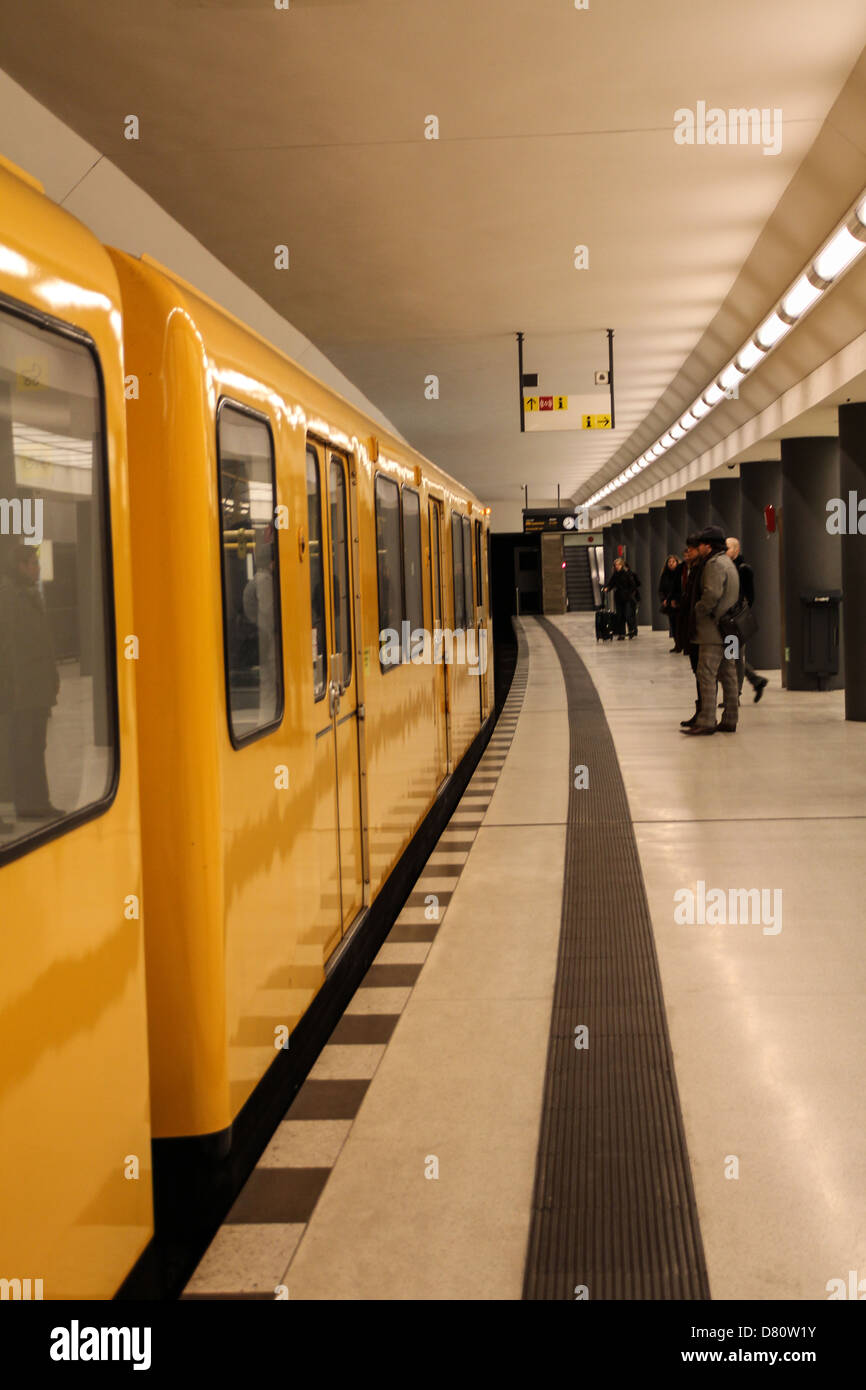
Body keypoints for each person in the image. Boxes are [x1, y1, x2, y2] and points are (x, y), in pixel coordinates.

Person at [1, 546, 62, 817]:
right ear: (21, 566)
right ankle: (31, 804)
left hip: (36, 688)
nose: (37, 568)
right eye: (33, 564)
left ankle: (37, 801)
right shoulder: (12, 599)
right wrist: (17, 690)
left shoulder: (27, 596)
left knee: (36, 746)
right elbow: (11, 648)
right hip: (24, 691)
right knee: (28, 748)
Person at [681, 525, 739, 736]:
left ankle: (706, 720)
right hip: (730, 628)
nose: (700, 548)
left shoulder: (713, 565)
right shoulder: (728, 562)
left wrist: (699, 609)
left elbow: (712, 594)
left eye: (702, 544)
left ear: (708, 545)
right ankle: (730, 718)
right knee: (729, 674)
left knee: (706, 673)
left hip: (713, 630)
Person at [725, 537, 768, 703]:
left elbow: (750, 596)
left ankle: (736, 693)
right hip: (728, 618)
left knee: (735, 655)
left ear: (736, 550)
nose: (725, 550)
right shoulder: (726, 568)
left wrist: (740, 612)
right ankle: (755, 680)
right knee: (732, 654)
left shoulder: (744, 569)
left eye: (728, 548)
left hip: (736, 618)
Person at [678, 535, 704, 728]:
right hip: (700, 630)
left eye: (691, 549)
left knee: (730, 667)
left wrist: (698, 615)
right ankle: (705, 712)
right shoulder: (691, 570)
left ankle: (729, 711)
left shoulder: (715, 568)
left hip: (727, 633)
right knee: (703, 672)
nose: (687, 553)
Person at [603, 557, 639, 639]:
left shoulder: (626, 574)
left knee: (627, 614)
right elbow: (611, 584)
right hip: (618, 597)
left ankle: (631, 630)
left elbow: (633, 585)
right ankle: (621, 633)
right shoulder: (615, 575)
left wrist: (629, 593)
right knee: (620, 615)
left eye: (618, 565)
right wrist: (607, 588)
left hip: (627, 597)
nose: (617, 566)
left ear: (622, 565)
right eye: (616, 565)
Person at [658, 553, 683, 651]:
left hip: (679, 603)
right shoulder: (664, 575)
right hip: (669, 603)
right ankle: (677, 645)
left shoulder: (680, 574)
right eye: (669, 562)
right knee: (673, 625)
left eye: (673, 562)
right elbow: (661, 589)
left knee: (680, 624)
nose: (671, 564)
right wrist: (664, 599)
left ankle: (682, 644)